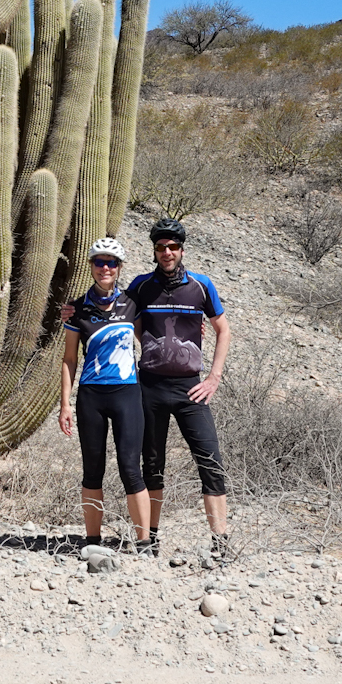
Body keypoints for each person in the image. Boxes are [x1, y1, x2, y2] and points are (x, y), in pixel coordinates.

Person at [125, 217, 233, 559]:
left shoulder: (201, 286)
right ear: (155, 251)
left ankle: (220, 544)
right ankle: (150, 541)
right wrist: (74, 309)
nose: (166, 252)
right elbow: (116, 313)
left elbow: (223, 330)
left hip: (191, 389)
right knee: (152, 464)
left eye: (172, 247)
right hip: (150, 388)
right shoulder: (142, 286)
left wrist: (213, 377)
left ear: (182, 249)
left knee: (210, 462)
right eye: (160, 247)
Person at [57, 236, 154, 553]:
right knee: (92, 470)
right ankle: (93, 542)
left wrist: (192, 330)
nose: (105, 268)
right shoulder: (77, 308)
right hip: (91, 397)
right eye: (99, 262)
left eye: (111, 263)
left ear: (119, 267)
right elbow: (69, 359)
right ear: (91, 267)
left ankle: (144, 544)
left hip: (127, 394)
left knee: (131, 469)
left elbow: (150, 340)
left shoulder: (131, 304)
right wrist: (65, 405)